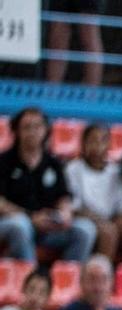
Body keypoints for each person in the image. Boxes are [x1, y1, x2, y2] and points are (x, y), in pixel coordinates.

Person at [0, 108, 96, 262]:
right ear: (16, 131)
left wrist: (64, 215)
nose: (32, 132)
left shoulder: (54, 163)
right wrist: (31, 217)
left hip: (48, 226)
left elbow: (64, 196)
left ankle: (66, 280)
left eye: (37, 126)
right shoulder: (3, 161)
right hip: (12, 222)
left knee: (85, 229)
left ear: (46, 130)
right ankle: (32, 280)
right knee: (20, 225)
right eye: (27, 127)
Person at [65, 123, 122, 260]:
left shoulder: (116, 171)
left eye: (103, 140)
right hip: (85, 219)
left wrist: (120, 221)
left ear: (109, 145)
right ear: (83, 144)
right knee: (108, 232)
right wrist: (102, 222)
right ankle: (101, 276)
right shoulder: (73, 169)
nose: (98, 146)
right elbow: (75, 208)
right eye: (93, 140)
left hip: (110, 221)